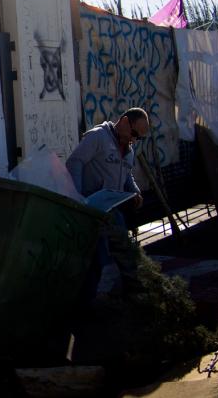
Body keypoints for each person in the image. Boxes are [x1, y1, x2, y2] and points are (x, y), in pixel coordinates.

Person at [66, 107, 150, 298]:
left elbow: (126, 173)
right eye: (134, 133)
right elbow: (75, 162)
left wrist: (134, 191)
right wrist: (79, 199)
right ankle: (88, 304)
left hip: (112, 209)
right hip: (92, 208)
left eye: (139, 138)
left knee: (123, 252)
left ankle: (131, 295)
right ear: (125, 122)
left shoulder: (128, 149)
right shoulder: (98, 137)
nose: (134, 139)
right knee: (97, 259)